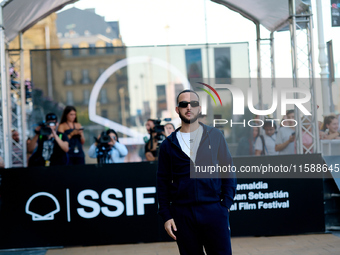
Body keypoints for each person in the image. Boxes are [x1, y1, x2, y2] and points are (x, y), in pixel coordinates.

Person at [157, 89, 236, 255]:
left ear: (199, 108)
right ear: (177, 109)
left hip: (214, 210)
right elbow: (162, 182)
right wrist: (166, 215)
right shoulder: (168, 145)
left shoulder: (215, 136)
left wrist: (225, 206)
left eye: (193, 104)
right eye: (183, 104)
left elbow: (228, 170)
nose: (188, 107)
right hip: (183, 214)